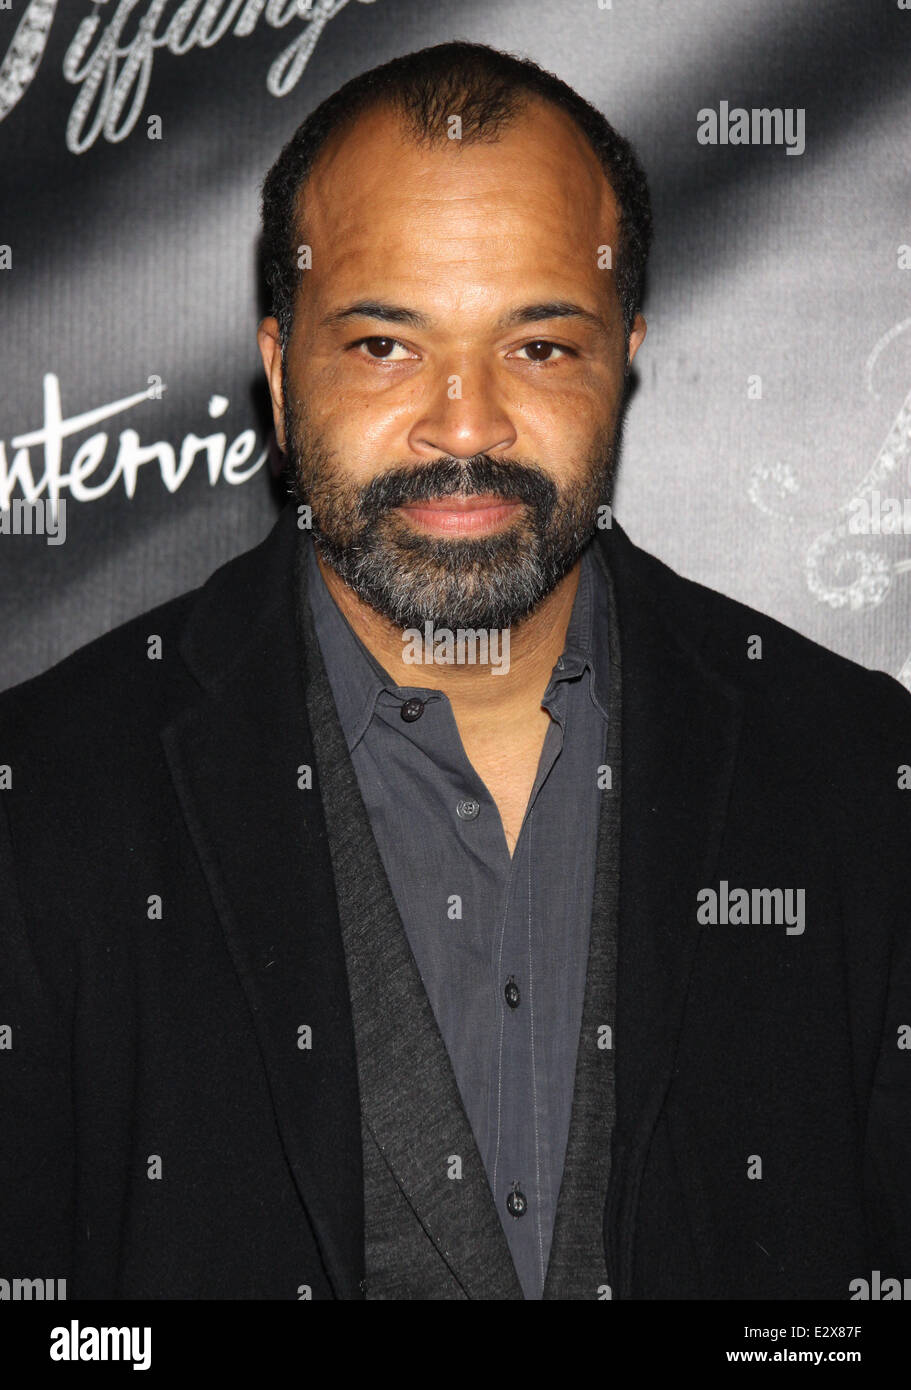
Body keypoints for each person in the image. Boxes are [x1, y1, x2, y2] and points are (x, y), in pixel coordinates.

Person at [1, 40, 909, 1302]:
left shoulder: (859, 779)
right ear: (280, 375)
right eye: (385, 345)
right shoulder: (44, 804)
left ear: (623, 360)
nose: (464, 423)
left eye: (538, 347)